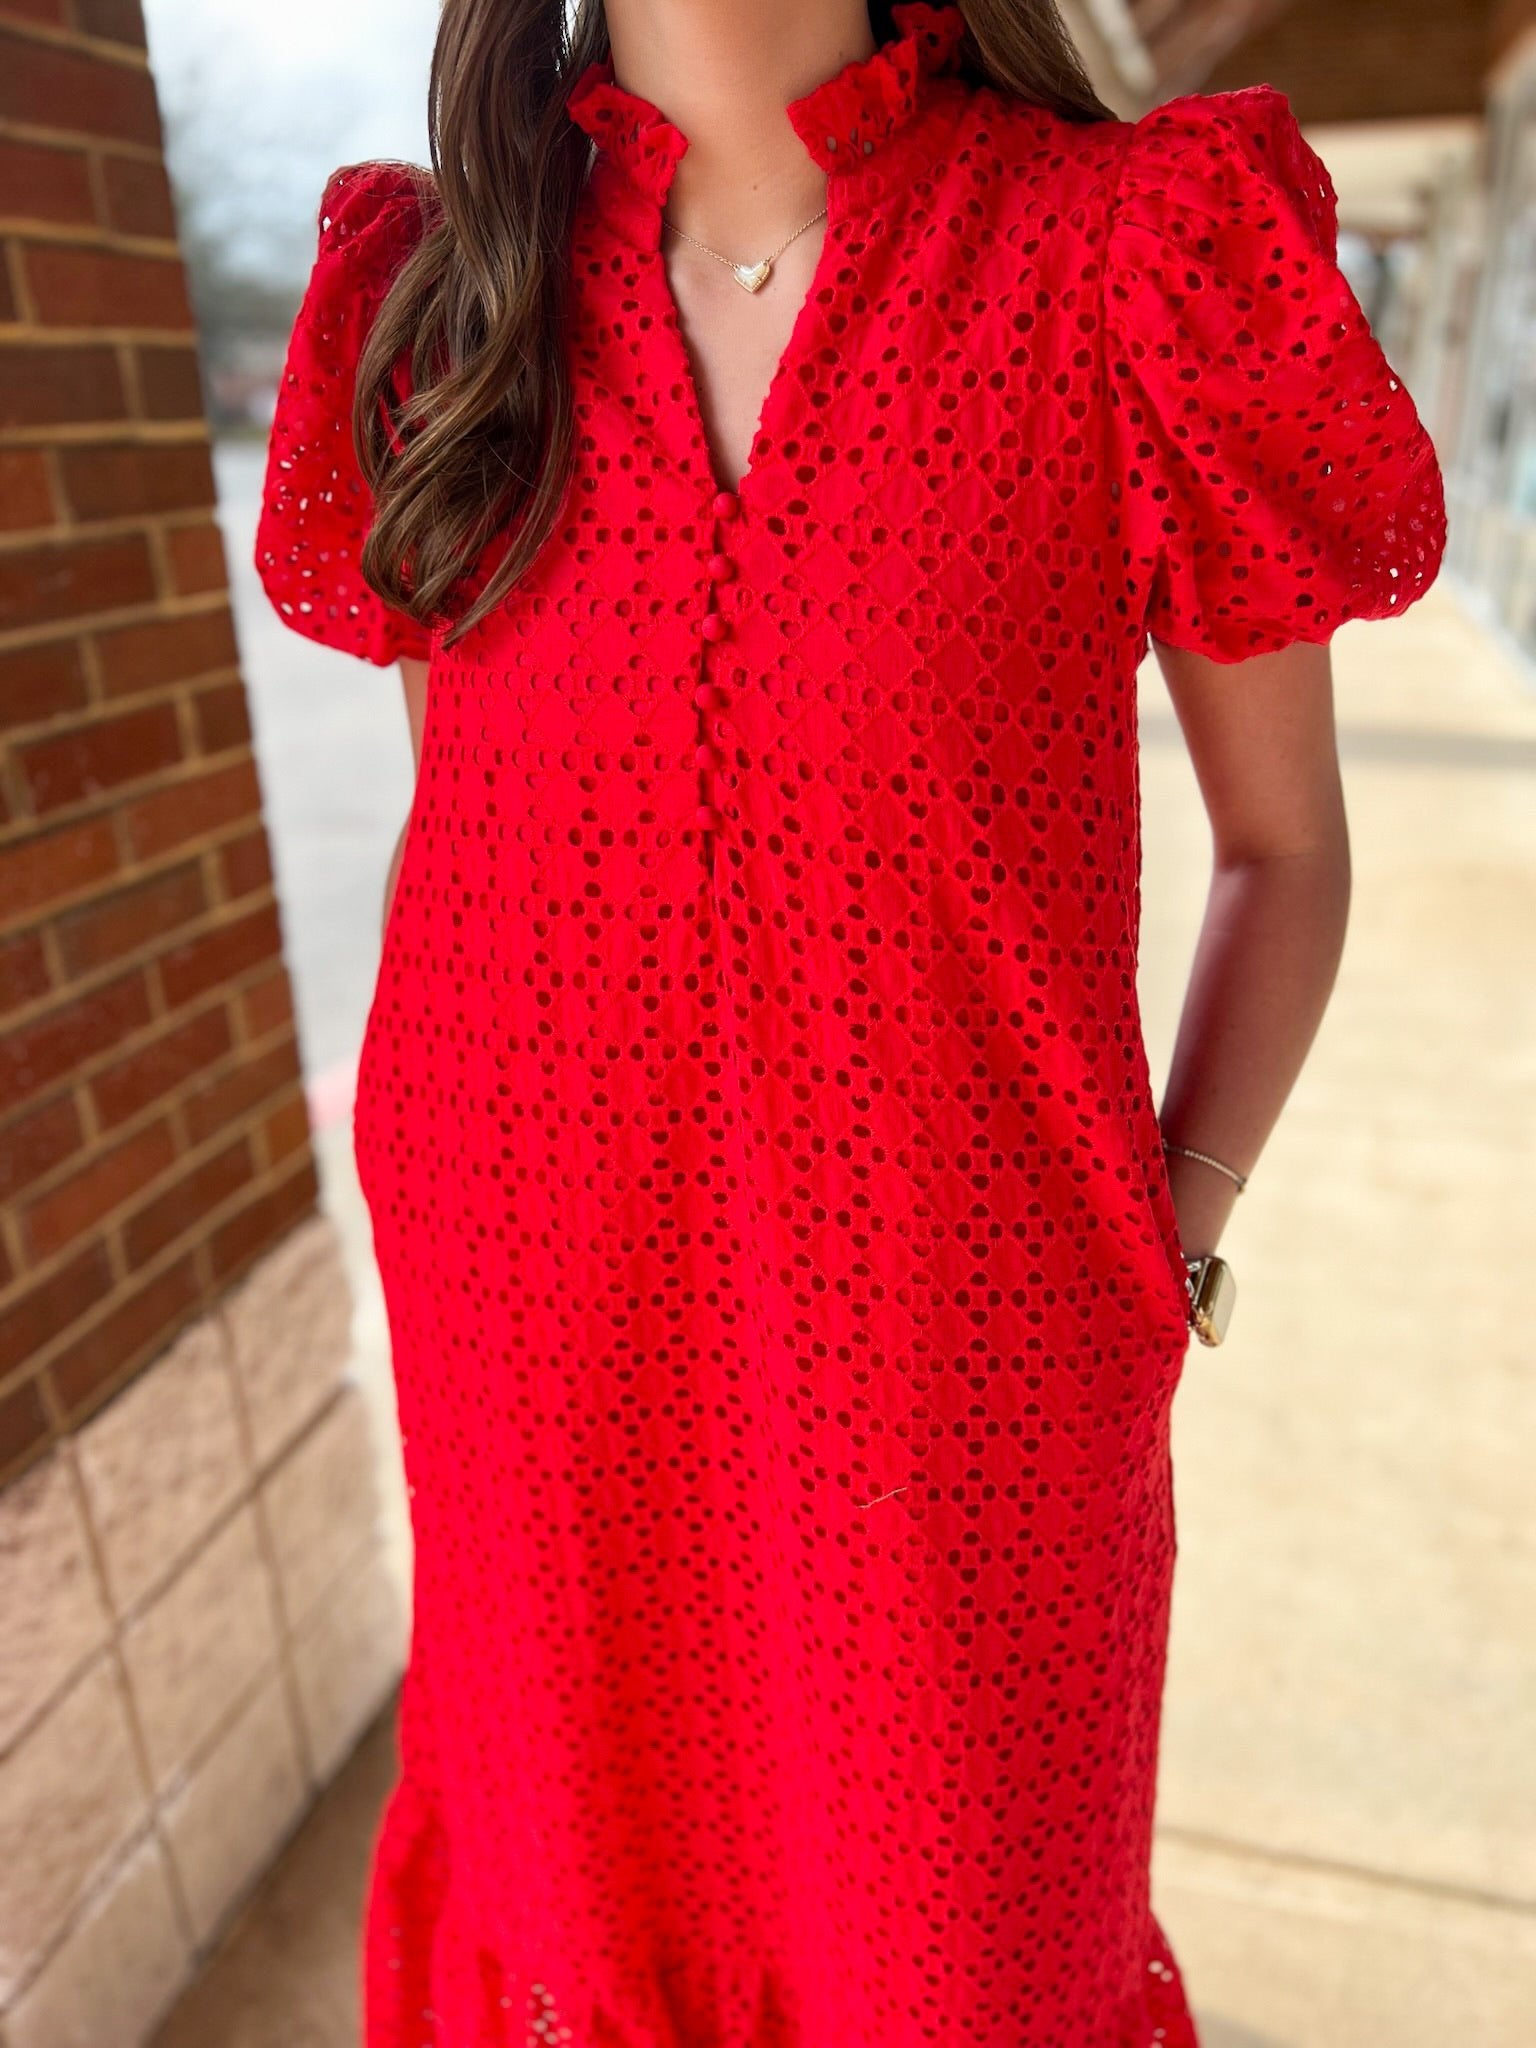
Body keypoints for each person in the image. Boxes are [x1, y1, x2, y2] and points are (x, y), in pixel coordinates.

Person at [254, 3, 1447, 2043]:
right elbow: (472, 852)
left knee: (966, 1944)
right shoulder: (446, 306)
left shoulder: (1124, 259)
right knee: (573, 1929)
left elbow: (1284, 853)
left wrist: (1167, 1240)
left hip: (959, 1396)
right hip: (533, 1380)